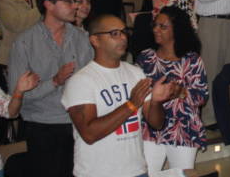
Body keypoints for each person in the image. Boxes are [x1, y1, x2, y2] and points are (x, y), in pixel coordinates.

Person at [62, 14, 178, 177]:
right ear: (95, 40)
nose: (123, 38)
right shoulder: (81, 81)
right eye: (114, 33)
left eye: (124, 32)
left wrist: (156, 102)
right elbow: (89, 134)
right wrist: (131, 105)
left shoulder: (136, 73)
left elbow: (157, 124)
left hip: (136, 171)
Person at [8, 0, 94, 177]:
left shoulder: (81, 39)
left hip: (78, 123)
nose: (76, 6)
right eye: (69, 1)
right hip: (42, 126)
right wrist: (54, 81)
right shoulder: (25, 42)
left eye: (75, 1)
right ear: (48, 4)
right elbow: (17, 97)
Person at [136, 7, 208, 171]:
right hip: (150, 128)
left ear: (177, 29)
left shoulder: (191, 59)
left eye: (163, 26)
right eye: (155, 25)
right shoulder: (146, 57)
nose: (156, 30)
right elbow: (137, 92)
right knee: (147, 172)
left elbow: (201, 96)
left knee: (181, 174)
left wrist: (180, 92)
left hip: (182, 127)